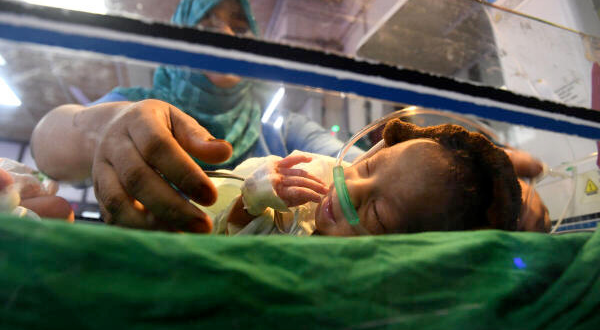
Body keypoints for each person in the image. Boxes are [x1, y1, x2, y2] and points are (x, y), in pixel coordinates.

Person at [30, 0, 362, 233]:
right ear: (181, 38)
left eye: (241, 27)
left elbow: (356, 164)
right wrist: (102, 128)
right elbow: (47, 147)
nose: (228, 35)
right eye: (206, 26)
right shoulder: (136, 103)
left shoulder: (281, 128)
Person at [203, 119, 549, 236]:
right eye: (367, 168)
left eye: (379, 215)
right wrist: (253, 197)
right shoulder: (315, 184)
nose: (348, 188)